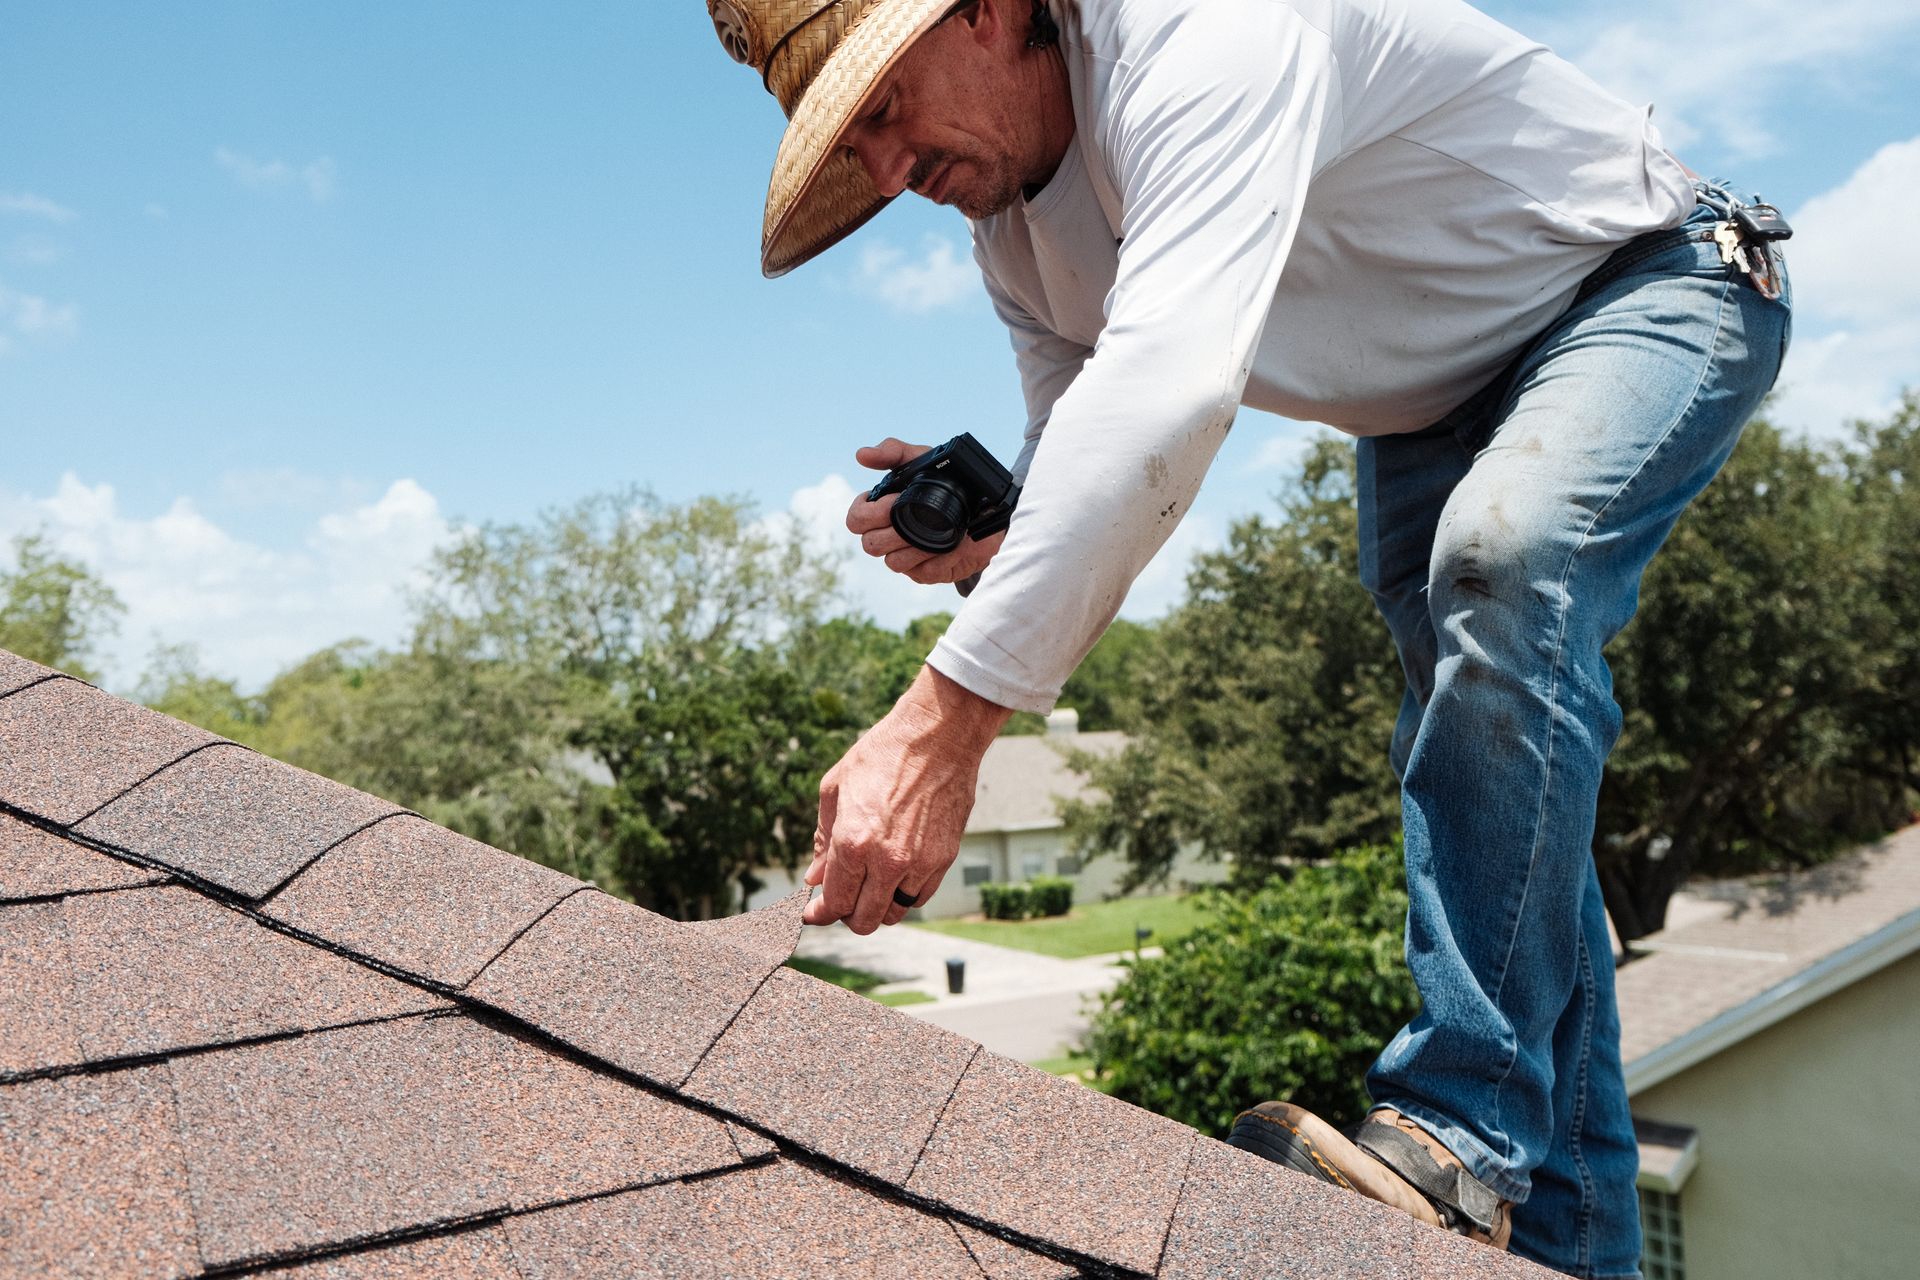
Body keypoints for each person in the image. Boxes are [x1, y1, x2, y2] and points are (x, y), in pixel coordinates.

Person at [702, 0, 1791, 1275]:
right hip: (1434, 409)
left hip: (1651, 282)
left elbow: (1171, 387)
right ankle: (1572, 1249)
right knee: (1512, 806)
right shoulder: (1015, 238)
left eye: (883, 113)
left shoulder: (1199, 33)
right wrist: (1012, 520)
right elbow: (1093, 439)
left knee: (1505, 563)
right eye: (855, 150)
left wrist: (941, 725)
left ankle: (1457, 1124)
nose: (890, 174)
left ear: (989, 12)